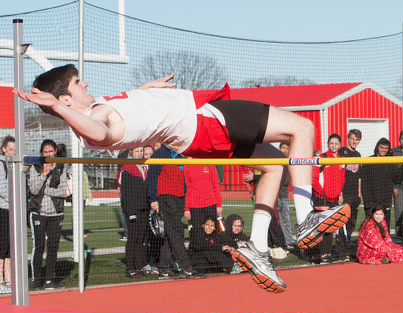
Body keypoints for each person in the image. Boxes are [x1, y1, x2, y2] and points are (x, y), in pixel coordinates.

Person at [15, 64, 351, 293]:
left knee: (275, 166)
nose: (85, 83)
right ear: (65, 100)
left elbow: (127, 108)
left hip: (195, 137)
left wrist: (150, 90)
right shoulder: (94, 121)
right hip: (204, 120)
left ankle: (258, 247)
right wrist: (59, 110)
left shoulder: (101, 105)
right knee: (302, 128)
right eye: (77, 83)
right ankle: (307, 216)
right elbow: (100, 131)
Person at [147, 145, 204, 279]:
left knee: (169, 234)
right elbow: (152, 177)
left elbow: (183, 179)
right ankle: (187, 267)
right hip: (166, 197)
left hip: (179, 197)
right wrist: (153, 199)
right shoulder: (160, 154)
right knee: (176, 232)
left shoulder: (180, 154)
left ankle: (164, 268)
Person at [28, 139, 67, 290]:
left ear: (55, 151)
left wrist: (47, 190)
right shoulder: (35, 167)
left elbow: (62, 191)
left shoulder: (61, 167)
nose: (48, 154)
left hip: (56, 213)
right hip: (38, 213)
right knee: (38, 247)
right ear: (41, 153)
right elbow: (34, 189)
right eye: (45, 152)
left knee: (53, 247)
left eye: (51, 151)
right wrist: (44, 174)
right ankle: (37, 279)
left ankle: (50, 279)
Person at [312, 134, 345, 263]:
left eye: (336, 143)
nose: (334, 146)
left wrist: (340, 194)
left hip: (335, 199)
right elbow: (314, 180)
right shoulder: (322, 158)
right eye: (331, 143)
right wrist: (322, 194)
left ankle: (327, 253)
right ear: (328, 144)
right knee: (322, 228)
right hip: (323, 199)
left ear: (340, 145)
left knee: (331, 227)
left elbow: (342, 179)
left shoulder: (341, 160)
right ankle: (322, 254)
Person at [118, 147, 150, 278]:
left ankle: (140, 265)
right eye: (137, 151)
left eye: (141, 151)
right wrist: (130, 212)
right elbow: (126, 193)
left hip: (144, 208)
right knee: (133, 238)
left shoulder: (145, 167)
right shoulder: (127, 169)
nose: (140, 153)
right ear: (131, 152)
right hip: (133, 209)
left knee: (142, 239)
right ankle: (131, 267)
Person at [361, 138, 401, 231]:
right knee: (370, 229)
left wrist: (402, 166)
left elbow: (397, 179)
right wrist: (367, 201)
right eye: (381, 147)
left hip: (385, 202)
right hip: (371, 202)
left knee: (384, 230)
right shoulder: (369, 161)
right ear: (377, 147)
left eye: (386, 148)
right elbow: (364, 182)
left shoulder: (391, 162)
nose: (383, 150)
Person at [183, 162, 222, 245]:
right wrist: (186, 208)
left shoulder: (209, 163)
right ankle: (198, 255)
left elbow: (215, 184)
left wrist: (219, 204)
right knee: (197, 233)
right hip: (194, 206)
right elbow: (186, 189)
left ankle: (213, 252)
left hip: (210, 204)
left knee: (212, 232)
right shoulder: (187, 165)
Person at [338, 129, 362, 255]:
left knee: (352, 223)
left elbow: (359, 176)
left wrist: (359, 193)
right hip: (345, 193)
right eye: (352, 138)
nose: (354, 141)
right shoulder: (342, 152)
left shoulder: (358, 155)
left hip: (354, 194)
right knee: (343, 222)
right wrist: (340, 193)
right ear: (348, 138)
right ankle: (340, 249)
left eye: (357, 139)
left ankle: (346, 248)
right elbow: (338, 173)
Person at [0, 136, 15, 294]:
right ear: (4, 149)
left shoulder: (14, 164)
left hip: (13, 209)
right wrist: (14, 199)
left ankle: (9, 280)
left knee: (11, 248)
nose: (13, 152)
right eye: (10, 149)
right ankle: (0, 281)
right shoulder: (1, 164)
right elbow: (2, 187)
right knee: (2, 247)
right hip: (3, 209)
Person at [277, 143, 295, 249]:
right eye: (283, 148)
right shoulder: (274, 160)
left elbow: (286, 180)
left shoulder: (288, 163)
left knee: (285, 219)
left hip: (283, 196)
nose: (285, 150)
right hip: (273, 196)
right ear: (279, 148)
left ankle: (288, 240)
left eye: (287, 148)